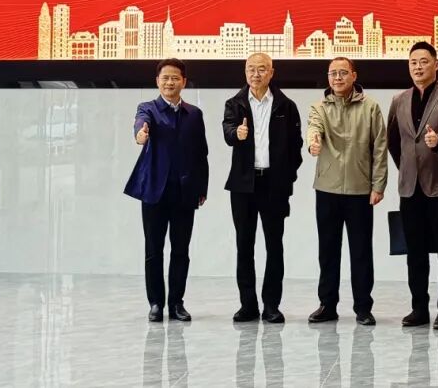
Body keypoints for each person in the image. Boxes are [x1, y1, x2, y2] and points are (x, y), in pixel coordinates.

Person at [386, 41, 438, 330]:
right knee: (415, 252)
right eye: (413, 62)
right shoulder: (399, 100)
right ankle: (418, 308)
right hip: (410, 188)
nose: (418, 67)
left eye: (423, 61)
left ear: (436, 64)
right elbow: (393, 141)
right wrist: (407, 169)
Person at [124, 58, 209, 322]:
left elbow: (201, 154)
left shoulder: (194, 114)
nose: (169, 82)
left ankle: (176, 303)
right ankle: (155, 303)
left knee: (181, 250)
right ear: (157, 81)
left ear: (183, 82)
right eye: (165, 78)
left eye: (175, 78)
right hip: (154, 191)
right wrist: (140, 134)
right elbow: (140, 123)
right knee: (153, 250)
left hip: (185, 192)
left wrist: (202, 187)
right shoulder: (147, 108)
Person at [222, 53, 304, 324]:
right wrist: (237, 134)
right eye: (250, 69)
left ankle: (271, 305)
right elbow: (228, 132)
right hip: (243, 186)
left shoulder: (286, 105)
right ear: (245, 72)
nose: (255, 74)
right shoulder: (234, 103)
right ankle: (248, 305)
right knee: (244, 245)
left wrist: (287, 177)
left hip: (274, 185)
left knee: (274, 246)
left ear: (271, 72)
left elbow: (296, 146)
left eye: (261, 69)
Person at [307, 56, 388, 326]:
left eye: (343, 72)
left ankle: (363, 307)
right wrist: (313, 142)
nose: (338, 78)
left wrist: (378, 185)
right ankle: (327, 305)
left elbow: (380, 148)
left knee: (361, 252)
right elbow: (314, 129)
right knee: (328, 251)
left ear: (354, 75)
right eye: (333, 73)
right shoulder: (319, 107)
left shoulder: (370, 107)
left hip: (360, 190)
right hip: (327, 189)